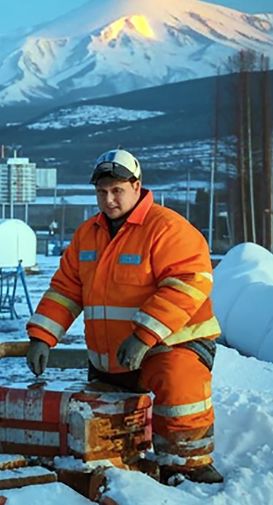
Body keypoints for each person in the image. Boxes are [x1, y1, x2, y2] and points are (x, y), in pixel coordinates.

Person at [26, 149, 223, 484]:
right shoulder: (88, 233)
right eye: (102, 192)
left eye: (117, 190)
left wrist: (144, 334)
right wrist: (42, 336)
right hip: (112, 353)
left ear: (137, 186)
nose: (109, 199)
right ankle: (125, 465)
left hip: (174, 343)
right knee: (107, 420)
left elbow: (190, 282)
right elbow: (65, 290)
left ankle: (188, 465)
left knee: (177, 385)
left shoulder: (167, 229)